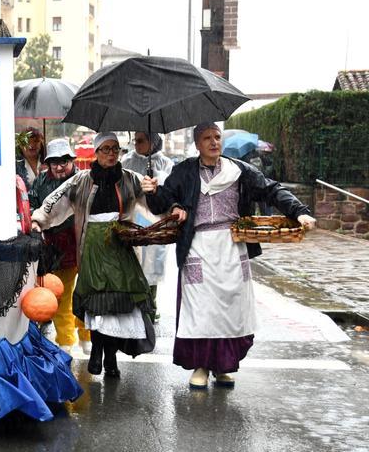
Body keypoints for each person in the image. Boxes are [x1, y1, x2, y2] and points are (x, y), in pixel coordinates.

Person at [143, 121, 316, 389]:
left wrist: (299, 210)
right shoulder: (184, 171)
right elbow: (161, 203)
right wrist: (152, 191)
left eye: (217, 136)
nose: (214, 142)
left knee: (230, 307)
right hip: (198, 245)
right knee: (201, 310)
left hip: (232, 245)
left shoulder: (239, 170)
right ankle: (201, 365)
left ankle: (224, 366)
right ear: (197, 144)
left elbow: (272, 189)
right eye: (207, 138)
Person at [32, 133, 155, 378]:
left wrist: (153, 191)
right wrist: (38, 221)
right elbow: (53, 203)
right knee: (97, 304)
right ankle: (98, 350)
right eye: (106, 149)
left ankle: (110, 356)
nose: (111, 154)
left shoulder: (132, 179)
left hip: (121, 249)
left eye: (115, 149)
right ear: (96, 153)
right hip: (91, 249)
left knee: (118, 305)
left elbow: (155, 208)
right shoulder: (80, 181)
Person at [27, 138, 91, 355]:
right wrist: (35, 221)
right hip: (55, 247)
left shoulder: (84, 180)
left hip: (84, 242)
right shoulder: (40, 182)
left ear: (72, 160)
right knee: (60, 295)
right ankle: (65, 339)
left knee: (85, 293)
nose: (60, 166)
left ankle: (86, 334)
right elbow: (33, 205)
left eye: (64, 161)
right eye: (54, 162)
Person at [120, 132, 175, 321]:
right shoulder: (126, 160)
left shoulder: (165, 163)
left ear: (153, 141)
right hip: (133, 216)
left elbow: (171, 189)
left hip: (156, 219)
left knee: (153, 264)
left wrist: (157, 180)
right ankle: (135, 304)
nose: (137, 143)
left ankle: (151, 305)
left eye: (141, 140)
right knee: (132, 262)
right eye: (135, 140)